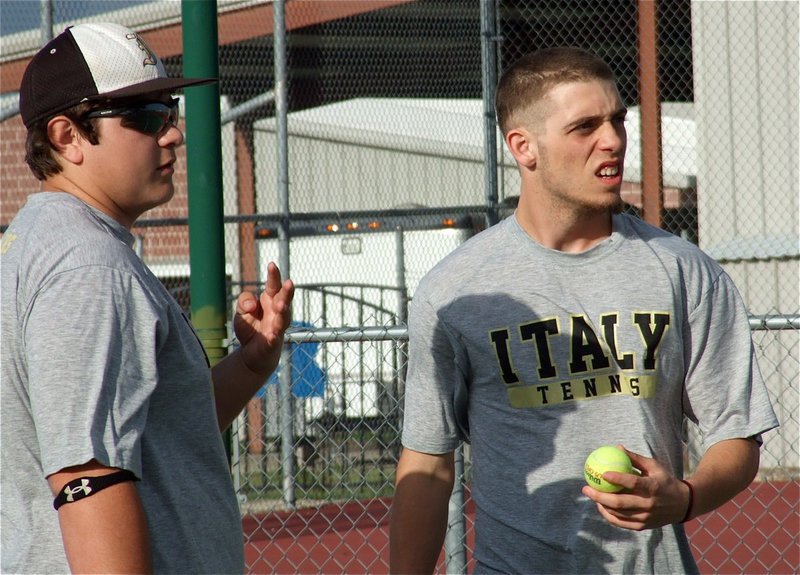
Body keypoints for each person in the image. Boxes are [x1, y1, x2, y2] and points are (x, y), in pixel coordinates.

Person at [389, 47, 778, 574]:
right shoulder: (455, 290)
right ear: (524, 147)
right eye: (584, 127)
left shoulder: (685, 271)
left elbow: (736, 435)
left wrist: (684, 497)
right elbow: (429, 465)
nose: (613, 140)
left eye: (617, 121)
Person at [1, 22, 294, 573]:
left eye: (170, 109)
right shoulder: (88, 266)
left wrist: (251, 364)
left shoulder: (42, 244)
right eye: (143, 115)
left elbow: (159, 432)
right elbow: (87, 477)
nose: (172, 133)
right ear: (66, 137)